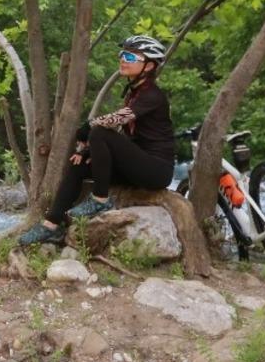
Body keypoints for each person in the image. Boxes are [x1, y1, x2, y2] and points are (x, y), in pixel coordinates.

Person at [19, 34, 176, 246]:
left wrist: (90, 125)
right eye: (122, 54)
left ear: (148, 66)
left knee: (100, 131)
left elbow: (118, 119)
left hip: (156, 170)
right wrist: (90, 151)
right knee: (79, 163)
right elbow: (125, 138)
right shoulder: (134, 93)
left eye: (130, 57)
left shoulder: (152, 95)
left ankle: (100, 200)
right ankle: (52, 225)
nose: (123, 59)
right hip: (137, 164)